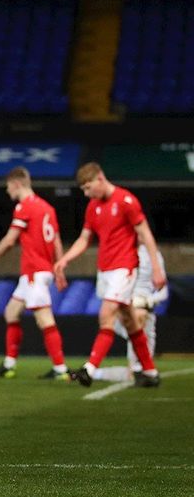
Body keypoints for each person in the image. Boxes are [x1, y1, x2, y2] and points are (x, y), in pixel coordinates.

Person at [54, 162, 166, 388]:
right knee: (130, 322)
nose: (86, 194)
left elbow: (145, 233)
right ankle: (150, 372)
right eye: (83, 190)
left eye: (88, 188)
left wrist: (156, 267)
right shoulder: (93, 207)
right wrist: (65, 259)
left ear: (100, 179)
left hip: (125, 268)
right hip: (105, 270)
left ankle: (89, 368)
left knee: (106, 314)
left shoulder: (126, 201)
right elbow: (85, 239)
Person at [0, 167, 70, 381]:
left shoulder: (24, 207)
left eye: (8, 187)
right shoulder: (47, 208)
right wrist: (59, 268)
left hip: (35, 272)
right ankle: (9, 365)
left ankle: (60, 368)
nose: (8, 191)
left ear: (17, 184)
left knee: (44, 318)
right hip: (37, 271)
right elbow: (56, 240)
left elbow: (10, 240)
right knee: (11, 312)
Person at [94, 245, 167, 383]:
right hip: (123, 312)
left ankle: (94, 373)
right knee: (138, 371)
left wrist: (147, 301)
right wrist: (124, 303)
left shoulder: (153, 255)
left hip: (147, 315)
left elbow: (163, 291)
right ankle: (93, 370)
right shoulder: (113, 252)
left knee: (136, 373)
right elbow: (101, 290)